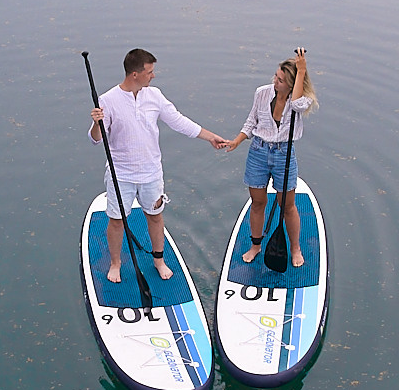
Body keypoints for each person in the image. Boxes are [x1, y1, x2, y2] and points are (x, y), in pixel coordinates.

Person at [89, 48, 230, 283]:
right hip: (120, 174)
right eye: (150, 72)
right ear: (135, 74)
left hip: (151, 173)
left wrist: (210, 137)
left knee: (155, 216)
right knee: (117, 221)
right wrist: (96, 123)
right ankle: (115, 263)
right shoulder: (108, 100)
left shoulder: (154, 95)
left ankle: (159, 260)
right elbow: (96, 139)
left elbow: (179, 121)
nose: (153, 76)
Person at [223, 49, 315, 266]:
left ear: (292, 84)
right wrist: (237, 140)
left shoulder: (301, 100)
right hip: (258, 151)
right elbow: (251, 121)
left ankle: (295, 248)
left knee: (287, 206)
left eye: (281, 80)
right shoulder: (262, 93)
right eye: (275, 76)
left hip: (284, 154)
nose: (275, 81)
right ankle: (256, 245)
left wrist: (301, 70)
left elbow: (297, 105)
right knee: (258, 202)